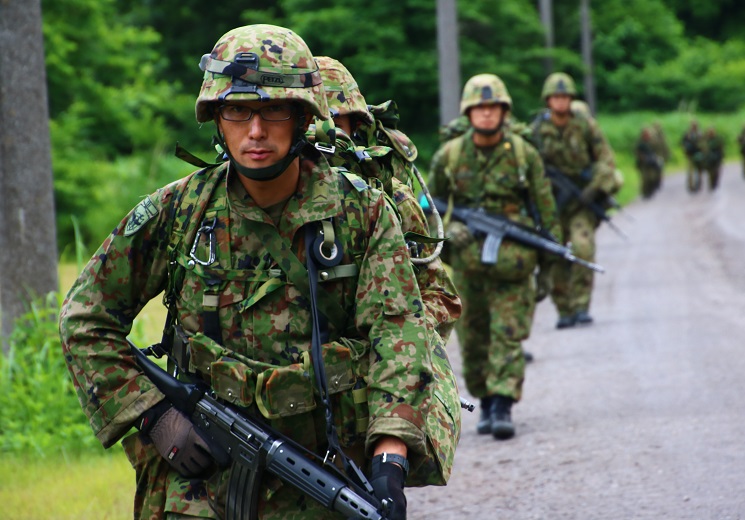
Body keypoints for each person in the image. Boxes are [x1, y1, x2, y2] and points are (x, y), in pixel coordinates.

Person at [60, 24, 438, 520]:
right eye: (237, 111)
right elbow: (85, 318)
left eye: (274, 110)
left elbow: (399, 334)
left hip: (322, 471)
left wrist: (390, 457)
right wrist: (153, 415)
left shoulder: (360, 213)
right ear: (217, 118)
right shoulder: (180, 210)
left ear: (303, 117)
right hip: (198, 480)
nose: (255, 131)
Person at [311, 55, 463, 482]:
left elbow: (440, 295)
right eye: (313, 120)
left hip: (365, 400)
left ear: (356, 126)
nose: (323, 133)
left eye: (334, 120)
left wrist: (392, 343)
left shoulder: (387, 199)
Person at [429, 73, 561, 440]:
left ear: (504, 111)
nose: (486, 113)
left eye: (493, 107)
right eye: (479, 107)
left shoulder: (523, 155)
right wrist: (448, 229)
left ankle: (502, 404)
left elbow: (546, 213)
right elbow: (425, 205)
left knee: (507, 336)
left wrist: (549, 268)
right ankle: (485, 401)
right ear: (468, 113)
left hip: (513, 266)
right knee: (473, 342)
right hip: (467, 265)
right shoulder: (450, 155)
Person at [530, 72, 620, 329]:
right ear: (548, 100)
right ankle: (564, 309)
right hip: (551, 203)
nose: (560, 101)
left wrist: (594, 188)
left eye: (565, 96)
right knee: (555, 252)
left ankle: (581, 306)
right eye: (556, 97)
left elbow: (606, 159)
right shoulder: (537, 130)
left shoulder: (586, 125)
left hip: (581, 200)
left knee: (582, 247)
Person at [635, 127, 663, 199]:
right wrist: (643, 158)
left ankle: (651, 189)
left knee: (653, 177)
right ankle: (645, 192)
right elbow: (637, 152)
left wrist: (655, 158)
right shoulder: (640, 143)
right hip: (643, 163)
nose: (647, 136)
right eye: (645, 134)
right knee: (645, 178)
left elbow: (657, 150)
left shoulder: (652, 142)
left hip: (652, 162)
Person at [681, 120, 705, 193]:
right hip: (690, 155)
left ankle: (699, 185)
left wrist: (702, 151)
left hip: (699, 155)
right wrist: (686, 149)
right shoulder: (687, 134)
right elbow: (683, 143)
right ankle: (691, 186)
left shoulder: (700, 134)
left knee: (699, 171)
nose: (694, 127)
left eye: (695, 125)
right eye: (693, 125)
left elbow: (704, 144)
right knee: (690, 172)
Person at [701, 127, 724, 191]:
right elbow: (703, 149)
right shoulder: (706, 140)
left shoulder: (717, 139)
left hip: (716, 158)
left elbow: (721, 149)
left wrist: (721, 157)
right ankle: (711, 184)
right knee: (710, 172)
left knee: (716, 172)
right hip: (709, 159)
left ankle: (714, 183)